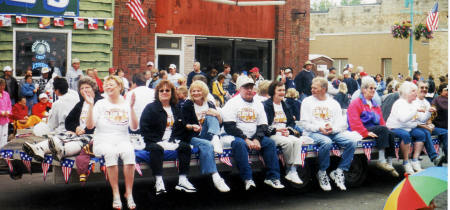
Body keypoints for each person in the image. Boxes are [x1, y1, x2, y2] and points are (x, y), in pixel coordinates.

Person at [222, 76, 284, 190]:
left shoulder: (258, 103)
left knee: (269, 143)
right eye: (246, 87)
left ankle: (273, 177)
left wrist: (257, 139)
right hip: (236, 136)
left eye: (251, 87)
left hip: (254, 136)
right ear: (239, 89)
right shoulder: (232, 103)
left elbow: (263, 125)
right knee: (239, 144)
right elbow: (229, 126)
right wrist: (246, 139)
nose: (249, 90)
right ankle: (248, 178)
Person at [85, 76, 138, 209]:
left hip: (122, 138)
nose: (108, 87)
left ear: (120, 87)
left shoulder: (127, 103)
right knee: (111, 153)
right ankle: (116, 194)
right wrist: (90, 106)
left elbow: (135, 127)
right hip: (103, 139)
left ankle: (129, 193)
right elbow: (90, 126)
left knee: (129, 153)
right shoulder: (100, 104)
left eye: (111, 84)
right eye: (106, 85)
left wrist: (131, 108)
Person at [140, 80, 197, 195]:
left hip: (172, 141)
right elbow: (144, 128)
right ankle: (159, 181)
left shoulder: (176, 108)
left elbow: (181, 126)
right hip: (155, 141)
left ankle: (182, 180)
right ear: (157, 93)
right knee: (156, 149)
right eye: (161, 90)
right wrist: (157, 141)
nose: (164, 92)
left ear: (172, 93)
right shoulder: (150, 108)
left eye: (167, 90)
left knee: (185, 147)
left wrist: (189, 129)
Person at [300, 77, 356, 191]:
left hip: (331, 132)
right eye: (312, 87)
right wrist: (319, 128)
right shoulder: (307, 101)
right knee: (326, 142)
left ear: (324, 89)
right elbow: (304, 124)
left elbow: (341, 123)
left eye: (315, 88)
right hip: (312, 132)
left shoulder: (333, 103)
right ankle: (322, 171)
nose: (312, 90)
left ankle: (340, 170)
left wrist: (333, 128)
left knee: (352, 142)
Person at [181, 80, 230, 192]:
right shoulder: (188, 105)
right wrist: (192, 126)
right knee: (207, 145)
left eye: (198, 90)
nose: (195, 93)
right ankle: (216, 177)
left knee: (212, 115)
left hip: (208, 133)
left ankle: (215, 138)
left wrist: (217, 114)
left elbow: (220, 123)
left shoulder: (210, 103)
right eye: (193, 91)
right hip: (193, 136)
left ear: (204, 92)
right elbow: (183, 125)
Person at [263, 81, 314, 185]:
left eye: (283, 90)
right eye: (279, 90)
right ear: (273, 91)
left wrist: (288, 131)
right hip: (273, 134)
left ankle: (293, 170)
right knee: (288, 143)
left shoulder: (285, 105)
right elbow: (263, 125)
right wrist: (276, 130)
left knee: (298, 141)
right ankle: (289, 168)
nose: (282, 92)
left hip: (285, 133)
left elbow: (291, 122)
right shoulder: (266, 105)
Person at [347, 76, 399, 177]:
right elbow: (354, 122)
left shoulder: (374, 104)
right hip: (360, 130)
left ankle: (389, 162)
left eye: (375, 88)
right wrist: (365, 133)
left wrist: (386, 129)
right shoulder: (356, 103)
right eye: (371, 88)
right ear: (363, 89)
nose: (373, 90)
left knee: (391, 133)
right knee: (383, 129)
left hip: (374, 129)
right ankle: (381, 159)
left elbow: (381, 120)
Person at [64, 77, 103, 182]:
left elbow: (100, 123)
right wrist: (76, 127)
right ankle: (41, 148)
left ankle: (62, 151)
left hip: (92, 137)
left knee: (73, 144)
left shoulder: (101, 102)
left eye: (87, 87)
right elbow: (68, 121)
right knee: (62, 136)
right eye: (82, 88)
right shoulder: (80, 104)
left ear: (93, 88)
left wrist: (84, 130)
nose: (84, 90)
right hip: (78, 135)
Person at [386, 82, 428, 174]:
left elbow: (421, 119)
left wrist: (429, 112)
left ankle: (415, 160)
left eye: (415, 91)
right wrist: (415, 112)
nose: (415, 93)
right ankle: (406, 162)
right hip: (395, 127)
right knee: (405, 135)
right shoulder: (399, 103)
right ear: (406, 92)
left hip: (408, 127)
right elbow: (403, 119)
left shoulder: (413, 104)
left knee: (421, 134)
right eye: (413, 91)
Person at [413, 81, 446, 166]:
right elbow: (413, 121)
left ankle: (447, 156)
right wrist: (426, 127)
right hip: (415, 126)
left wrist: (430, 124)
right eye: (422, 87)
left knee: (446, 132)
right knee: (426, 132)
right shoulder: (413, 101)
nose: (424, 89)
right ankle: (434, 158)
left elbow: (428, 119)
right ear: (417, 89)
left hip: (425, 125)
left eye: (426, 88)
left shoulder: (426, 102)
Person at [0, 78, 11, 148]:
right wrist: (1, 113)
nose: (2, 87)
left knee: (4, 135)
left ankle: (3, 151)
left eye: (4, 85)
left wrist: (8, 111)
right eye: (1, 86)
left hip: (6, 119)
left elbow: (9, 105)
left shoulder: (6, 94)